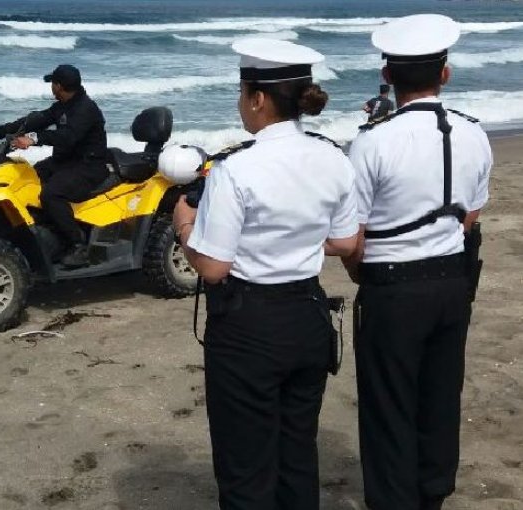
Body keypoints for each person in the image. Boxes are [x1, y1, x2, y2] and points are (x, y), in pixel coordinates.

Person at [172, 39, 358, 509]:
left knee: (244, 466)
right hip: (308, 315)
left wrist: (184, 227)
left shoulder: (237, 169)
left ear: (257, 98)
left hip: (249, 324)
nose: (240, 104)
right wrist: (293, 236)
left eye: (241, 93)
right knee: (297, 454)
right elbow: (344, 243)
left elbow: (213, 267)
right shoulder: (333, 156)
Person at [342, 15, 492, 510]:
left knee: (388, 406)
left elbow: (352, 234)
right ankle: (432, 496)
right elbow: (469, 217)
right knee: (440, 397)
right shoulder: (473, 134)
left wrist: (359, 270)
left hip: (391, 285)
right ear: (444, 73)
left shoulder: (371, 141)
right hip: (451, 280)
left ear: (387, 75)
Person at [0, 64, 108, 268]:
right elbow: (35, 121)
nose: (51, 87)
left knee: (51, 194)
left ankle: (78, 245)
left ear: (59, 86)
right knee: (25, 178)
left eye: (53, 83)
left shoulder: (86, 109)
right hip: (63, 162)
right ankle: (41, 230)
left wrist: (33, 139)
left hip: (88, 167)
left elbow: (68, 137)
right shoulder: (62, 106)